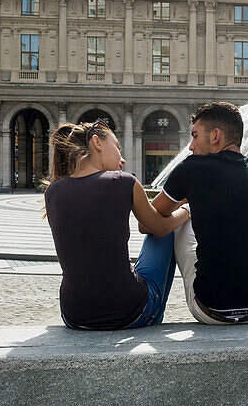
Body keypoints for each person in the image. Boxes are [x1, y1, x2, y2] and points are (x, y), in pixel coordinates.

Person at [153, 102, 248, 325]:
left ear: (215, 136)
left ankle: (155, 303)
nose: (191, 146)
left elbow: (155, 214)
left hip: (210, 310)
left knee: (179, 220)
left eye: (195, 136)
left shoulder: (190, 169)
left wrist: (189, 207)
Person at [44, 119, 189, 330]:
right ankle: (153, 314)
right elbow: (160, 228)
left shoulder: (52, 191)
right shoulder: (122, 181)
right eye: (117, 149)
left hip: (73, 316)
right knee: (165, 231)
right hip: (129, 313)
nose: (122, 160)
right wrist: (186, 210)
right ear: (97, 142)